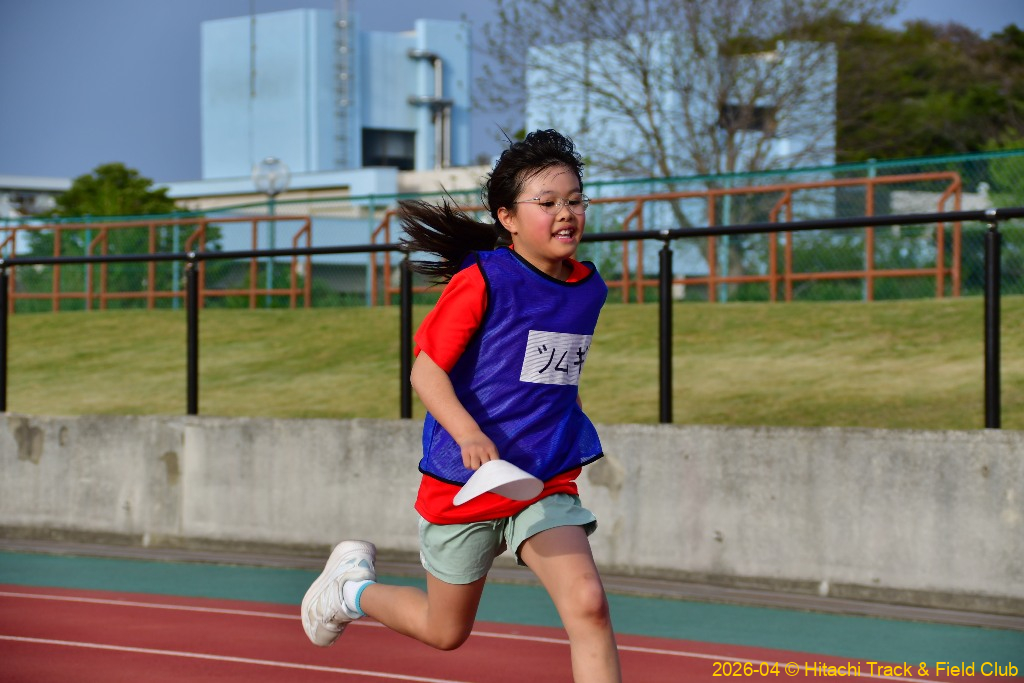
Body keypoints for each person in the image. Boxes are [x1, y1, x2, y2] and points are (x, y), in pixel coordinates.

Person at [300, 129, 622, 683]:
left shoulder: (589, 289)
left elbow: (551, 375)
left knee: (589, 605)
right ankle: (350, 591)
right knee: (445, 631)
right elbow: (425, 372)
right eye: (547, 203)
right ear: (508, 217)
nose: (566, 213)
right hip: (465, 482)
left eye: (575, 200)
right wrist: (470, 435)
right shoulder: (482, 281)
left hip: (542, 478)